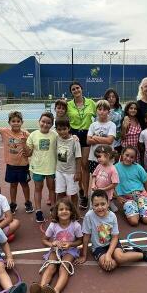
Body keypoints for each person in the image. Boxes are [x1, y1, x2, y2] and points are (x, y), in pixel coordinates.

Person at [75, 189, 147, 271]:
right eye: (96, 205)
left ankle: (146, 254)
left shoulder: (112, 216)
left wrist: (108, 254)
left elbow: (115, 237)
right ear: (92, 205)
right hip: (98, 247)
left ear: (108, 203)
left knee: (120, 258)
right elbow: (86, 236)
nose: (100, 207)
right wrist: (84, 255)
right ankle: (126, 253)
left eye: (103, 204)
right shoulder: (89, 216)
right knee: (107, 266)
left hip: (112, 243)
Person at [30, 199, 83, 293]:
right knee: (51, 266)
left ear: (72, 212)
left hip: (70, 250)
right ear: (56, 212)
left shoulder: (76, 225)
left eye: (67, 209)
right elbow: (44, 240)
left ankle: (56, 291)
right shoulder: (53, 225)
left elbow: (80, 240)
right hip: (56, 250)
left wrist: (70, 244)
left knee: (64, 267)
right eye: (61, 209)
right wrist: (52, 244)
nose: (64, 211)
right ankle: (41, 289)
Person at [67, 81, 96, 209]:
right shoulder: (68, 105)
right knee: (76, 164)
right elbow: (62, 119)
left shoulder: (91, 103)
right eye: (73, 89)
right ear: (71, 92)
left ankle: (85, 195)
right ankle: (80, 188)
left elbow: (99, 115)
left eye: (77, 88)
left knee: (85, 165)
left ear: (82, 89)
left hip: (86, 134)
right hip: (73, 135)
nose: (76, 90)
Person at [0, 111, 32, 214]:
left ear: (22, 122)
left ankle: (28, 202)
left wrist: (27, 149)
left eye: (18, 121)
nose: (16, 123)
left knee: (25, 185)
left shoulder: (26, 134)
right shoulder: (5, 131)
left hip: (23, 165)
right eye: (13, 121)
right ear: (9, 122)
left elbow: (31, 149)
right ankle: (13, 203)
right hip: (11, 165)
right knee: (13, 185)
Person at [24, 112, 58, 223]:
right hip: (37, 167)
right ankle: (38, 211)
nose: (45, 124)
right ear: (39, 122)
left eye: (48, 123)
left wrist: (75, 137)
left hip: (51, 168)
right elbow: (28, 153)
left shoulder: (55, 135)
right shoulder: (33, 135)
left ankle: (54, 209)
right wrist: (24, 144)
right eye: (43, 121)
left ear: (52, 124)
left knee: (52, 189)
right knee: (38, 189)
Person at [115, 146, 147, 223]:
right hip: (127, 197)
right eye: (127, 155)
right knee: (134, 222)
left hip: (141, 195)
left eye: (132, 157)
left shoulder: (138, 168)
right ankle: (134, 209)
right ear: (122, 154)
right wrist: (117, 197)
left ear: (135, 158)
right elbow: (112, 184)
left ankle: (141, 208)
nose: (128, 158)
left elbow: (145, 182)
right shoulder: (115, 168)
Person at [55, 117, 82, 209]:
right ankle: (58, 211)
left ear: (69, 128)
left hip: (71, 172)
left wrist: (78, 172)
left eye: (64, 129)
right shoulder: (57, 137)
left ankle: (75, 211)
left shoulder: (74, 141)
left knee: (73, 193)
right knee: (60, 192)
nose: (62, 132)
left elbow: (78, 157)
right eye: (59, 129)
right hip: (59, 171)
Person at [86, 99, 116, 178]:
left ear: (108, 112)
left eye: (104, 109)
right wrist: (104, 139)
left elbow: (110, 140)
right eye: (99, 109)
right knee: (95, 179)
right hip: (94, 158)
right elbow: (88, 141)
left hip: (108, 158)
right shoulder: (93, 125)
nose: (102, 111)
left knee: (107, 179)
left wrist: (95, 137)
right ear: (96, 111)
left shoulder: (112, 125)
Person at [104, 88, 124, 154]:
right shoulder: (101, 110)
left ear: (116, 98)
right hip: (105, 141)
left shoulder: (121, 111)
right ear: (106, 99)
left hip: (117, 142)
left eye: (113, 97)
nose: (111, 98)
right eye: (109, 97)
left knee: (115, 163)